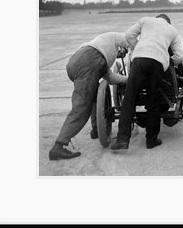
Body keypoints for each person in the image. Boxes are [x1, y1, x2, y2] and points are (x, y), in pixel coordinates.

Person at [49, 32, 129, 160]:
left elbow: (111, 78)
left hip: (76, 61)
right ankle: (58, 146)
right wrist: (130, 49)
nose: (121, 54)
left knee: (94, 94)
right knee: (81, 108)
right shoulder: (114, 38)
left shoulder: (103, 51)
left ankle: (96, 130)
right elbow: (129, 40)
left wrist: (128, 79)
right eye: (121, 51)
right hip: (89, 61)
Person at [110, 14, 183, 151]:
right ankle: (151, 140)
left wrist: (138, 47)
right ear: (168, 22)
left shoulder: (145, 20)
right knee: (153, 101)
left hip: (139, 60)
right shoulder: (172, 30)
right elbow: (180, 56)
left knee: (129, 99)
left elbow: (129, 35)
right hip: (157, 64)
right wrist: (167, 61)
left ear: (156, 18)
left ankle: (122, 139)